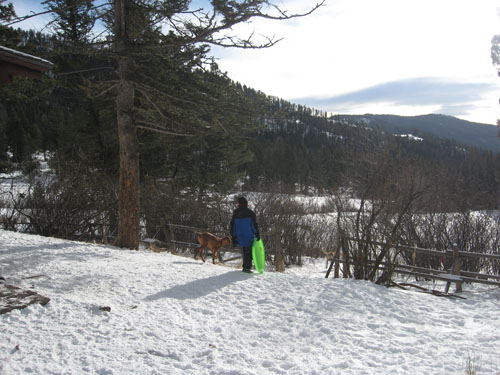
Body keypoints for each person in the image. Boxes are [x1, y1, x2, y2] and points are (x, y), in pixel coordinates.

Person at [230, 196, 260, 273]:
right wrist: (257, 234)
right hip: (248, 236)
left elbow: (232, 226)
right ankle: (246, 268)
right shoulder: (250, 213)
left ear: (238, 204)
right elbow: (253, 225)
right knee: (248, 253)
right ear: (246, 204)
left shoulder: (235, 213)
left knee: (244, 252)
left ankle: (246, 267)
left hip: (239, 236)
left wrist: (233, 237)